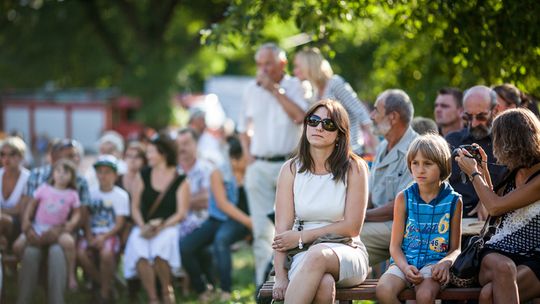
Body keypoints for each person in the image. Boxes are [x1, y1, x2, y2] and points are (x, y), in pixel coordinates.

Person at [272, 99, 370, 302]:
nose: (319, 127)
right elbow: (282, 231)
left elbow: (352, 228)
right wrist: (280, 277)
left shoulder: (355, 168)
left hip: (347, 250)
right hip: (302, 254)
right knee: (324, 284)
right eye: (313, 120)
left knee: (318, 254)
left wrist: (302, 237)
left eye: (328, 124)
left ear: (339, 134)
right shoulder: (290, 169)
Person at [238, 42, 308, 287]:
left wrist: (274, 90)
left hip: (290, 167)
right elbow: (243, 128)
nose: (263, 69)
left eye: (268, 63)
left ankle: (290, 284)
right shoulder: (250, 89)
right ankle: (262, 289)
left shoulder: (296, 86)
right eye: (259, 64)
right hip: (259, 166)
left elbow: (301, 116)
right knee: (260, 233)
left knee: (289, 230)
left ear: (282, 64)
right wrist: (248, 155)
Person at [455, 108, 540, 303]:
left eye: (497, 138)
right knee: (505, 268)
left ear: (512, 140)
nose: (495, 144)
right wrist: (483, 168)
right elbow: (495, 204)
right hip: (498, 251)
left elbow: (494, 207)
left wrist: (473, 173)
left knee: (488, 295)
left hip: (533, 256)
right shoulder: (515, 170)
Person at [376, 134, 463, 303]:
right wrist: (405, 267)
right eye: (415, 163)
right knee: (384, 290)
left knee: (424, 296)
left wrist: (445, 263)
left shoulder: (454, 201)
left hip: (433, 265)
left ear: (442, 165)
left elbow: (455, 249)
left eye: (427, 164)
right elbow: (394, 246)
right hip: (404, 263)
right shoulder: (404, 198)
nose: (420, 169)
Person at [16, 138, 90, 304]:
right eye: (70, 155)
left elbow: (81, 215)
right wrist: (28, 229)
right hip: (37, 229)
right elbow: (27, 205)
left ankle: (56, 300)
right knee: (30, 253)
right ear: (55, 156)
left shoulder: (80, 181)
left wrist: (61, 230)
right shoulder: (37, 176)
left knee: (57, 253)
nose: (76, 159)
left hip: (62, 232)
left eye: (77, 155)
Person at [123, 133, 190, 304]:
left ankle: (167, 292)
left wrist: (161, 226)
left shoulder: (180, 179)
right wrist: (143, 225)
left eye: (152, 152)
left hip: (168, 226)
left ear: (164, 154)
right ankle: (153, 297)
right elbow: (135, 207)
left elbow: (181, 212)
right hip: (144, 225)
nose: (148, 156)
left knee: (162, 248)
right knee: (139, 249)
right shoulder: (143, 174)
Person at [180, 145, 252, 302]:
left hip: (238, 222)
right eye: (245, 156)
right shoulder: (218, 172)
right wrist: (249, 222)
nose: (249, 159)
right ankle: (202, 289)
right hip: (219, 219)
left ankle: (225, 289)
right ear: (234, 159)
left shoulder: (252, 172)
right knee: (185, 247)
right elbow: (222, 204)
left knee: (221, 240)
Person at [362, 89, 419, 266]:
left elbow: (401, 205)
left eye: (376, 110)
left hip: (405, 228)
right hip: (381, 223)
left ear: (393, 117)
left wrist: (360, 217)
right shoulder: (382, 146)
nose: (371, 116)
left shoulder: (417, 150)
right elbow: (371, 194)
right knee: (333, 235)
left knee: (344, 236)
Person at [293, 47, 375, 155]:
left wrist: (375, 145)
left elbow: (360, 111)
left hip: (350, 151)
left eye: (297, 66)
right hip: (331, 154)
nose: (295, 71)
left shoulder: (335, 83)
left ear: (308, 66)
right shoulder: (315, 91)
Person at [15, 159, 81, 292]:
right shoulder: (44, 188)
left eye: (66, 172)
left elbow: (77, 213)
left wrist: (71, 224)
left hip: (58, 229)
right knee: (17, 246)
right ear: (53, 174)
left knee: (69, 243)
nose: (61, 175)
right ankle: (24, 272)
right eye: (58, 171)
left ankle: (71, 275)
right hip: (38, 226)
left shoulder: (72, 194)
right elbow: (32, 205)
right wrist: (27, 221)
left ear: (72, 177)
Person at [445, 85, 507, 220]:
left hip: (494, 220)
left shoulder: (506, 144)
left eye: (481, 117)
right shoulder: (451, 140)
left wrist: (488, 197)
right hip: (454, 218)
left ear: (495, 110)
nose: (473, 124)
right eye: (468, 117)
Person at [77, 155, 129, 302]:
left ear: (115, 174)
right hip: (91, 232)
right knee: (81, 252)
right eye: (100, 172)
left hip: (109, 234)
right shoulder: (90, 192)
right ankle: (106, 283)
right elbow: (85, 217)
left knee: (107, 254)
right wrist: (88, 236)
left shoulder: (121, 195)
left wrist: (103, 237)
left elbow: (119, 223)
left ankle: (105, 294)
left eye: (107, 172)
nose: (103, 175)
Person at [0, 137, 30, 251]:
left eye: (12, 154)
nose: (6, 158)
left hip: (19, 226)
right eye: (2, 154)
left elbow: (19, 209)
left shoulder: (28, 178)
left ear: (21, 156)